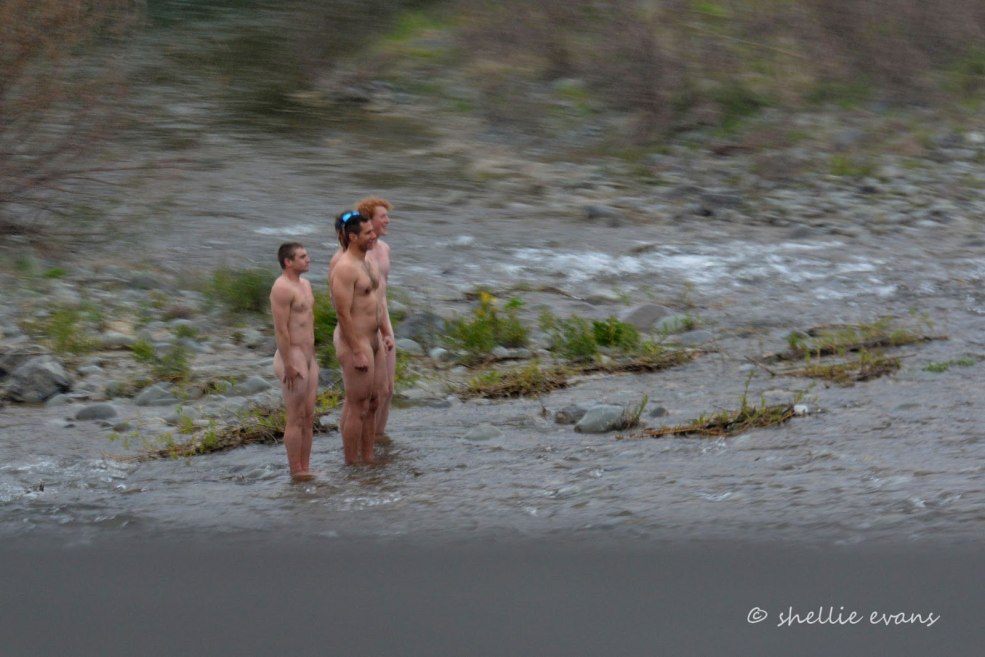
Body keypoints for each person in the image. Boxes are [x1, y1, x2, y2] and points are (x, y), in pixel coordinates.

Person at [330, 211, 388, 465]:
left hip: (375, 340)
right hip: (357, 341)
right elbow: (342, 313)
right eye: (368, 233)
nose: (373, 235)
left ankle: (369, 457)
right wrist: (356, 350)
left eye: (373, 231)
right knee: (358, 405)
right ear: (352, 237)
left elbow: (377, 301)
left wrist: (385, 332)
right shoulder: (344, 268)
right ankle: (351, 464)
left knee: (374, 401)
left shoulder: (368, 262)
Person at [270, 242, 318, 481]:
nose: (308, 259)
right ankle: (295, 469)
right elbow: (281, 330)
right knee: (295, 416)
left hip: (309, 356)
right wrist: (288, 363)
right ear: (288, 262)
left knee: (309, 415)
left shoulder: (306, 285)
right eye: (302, 256)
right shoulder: (281, 288)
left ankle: (305, 467)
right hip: (292, 356)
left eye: (307, 255)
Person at [356, 196, 396, 437]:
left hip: (385, 319)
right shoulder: (360, 255)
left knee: (388, 389)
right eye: (383, 217)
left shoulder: (385, 249)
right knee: (368, 393)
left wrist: (388, 331)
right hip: (366, 325)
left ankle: (379, 437)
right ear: (369, 222)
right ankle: (361, 439)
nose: (387, 221)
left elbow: (383, 295)